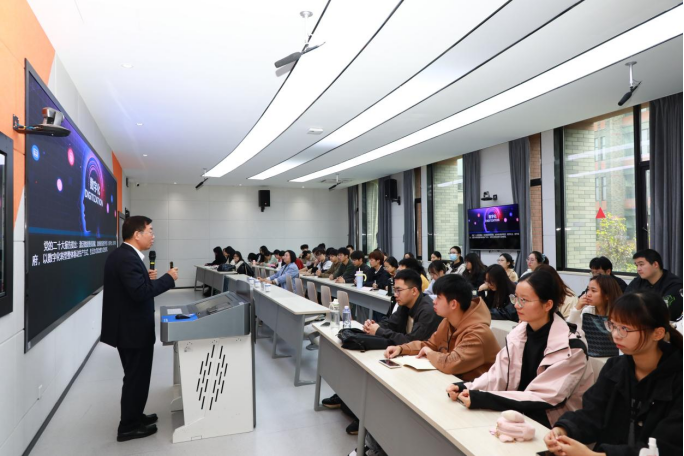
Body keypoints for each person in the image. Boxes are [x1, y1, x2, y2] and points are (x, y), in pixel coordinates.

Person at [446, 268, 594, 428]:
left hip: (555, 427)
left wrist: (482, 398)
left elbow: (543, 397)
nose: (516, 305)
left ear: (548, 305)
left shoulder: (572, 347)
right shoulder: (518, 334)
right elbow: (497, 376)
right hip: (518, 414)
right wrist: (465, 387)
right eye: (515, 298)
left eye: (524, 300)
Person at [545, 292, 683, 456]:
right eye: (613, 325)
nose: (615, 334)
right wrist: (563, 429)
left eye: (625, 329)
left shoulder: (677, 378)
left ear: (657, 333)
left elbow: (668, 446)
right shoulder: (615, 367)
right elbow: (593, 414)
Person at [101, 216, 179, 442]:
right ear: (137, 234)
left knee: (137, 376)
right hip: (132, 330)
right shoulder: (127, 258)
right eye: (150, 231)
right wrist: (168, 278)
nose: (153, 236)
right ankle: (128, 426)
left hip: (130, 328)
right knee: (136, 378)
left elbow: (134, 288)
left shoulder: (124, 255)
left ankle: (135, 415)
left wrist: (147, 279)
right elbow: (140, 293)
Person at [385, 274, 500, 378]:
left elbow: (450, 364)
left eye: (439, 298)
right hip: (453, 383)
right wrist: (401, 349)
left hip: (476, 390)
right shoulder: (447, 321)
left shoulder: (478, 333)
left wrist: (429, 353)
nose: (434, 301)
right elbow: (430, 345)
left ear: (453, 304)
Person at [363, 269, 442, 345]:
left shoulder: (428, 311)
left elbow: (411, 342)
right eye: (394, 290)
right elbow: (391, 324)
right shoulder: (405, 304)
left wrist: (379, 331)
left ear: (414, 291)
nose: (395, 294)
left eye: (399, 290)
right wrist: (373, 326)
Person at [625, 249, 683, 321]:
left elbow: (665, 312)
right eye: (637, 265)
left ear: (655, 264)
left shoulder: (674, 285)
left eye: (641, 264)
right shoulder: (637, 281)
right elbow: (625, 302)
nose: (638, 269)